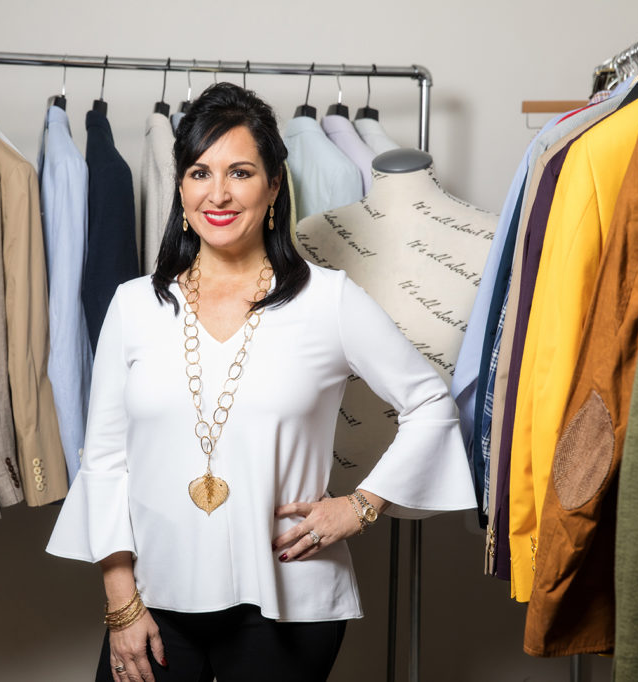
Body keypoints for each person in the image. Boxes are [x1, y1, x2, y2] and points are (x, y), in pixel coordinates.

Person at [46, 83, 470, 682]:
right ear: (181, 188)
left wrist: (361, 507)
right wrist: (121, 600)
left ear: (273, 187)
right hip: (152, 599)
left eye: (240, 172)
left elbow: (430, 403)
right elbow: (105, 461)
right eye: (200, 172)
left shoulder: (328, 301)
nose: (217, 193)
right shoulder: (134, 305)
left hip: (290, 598)